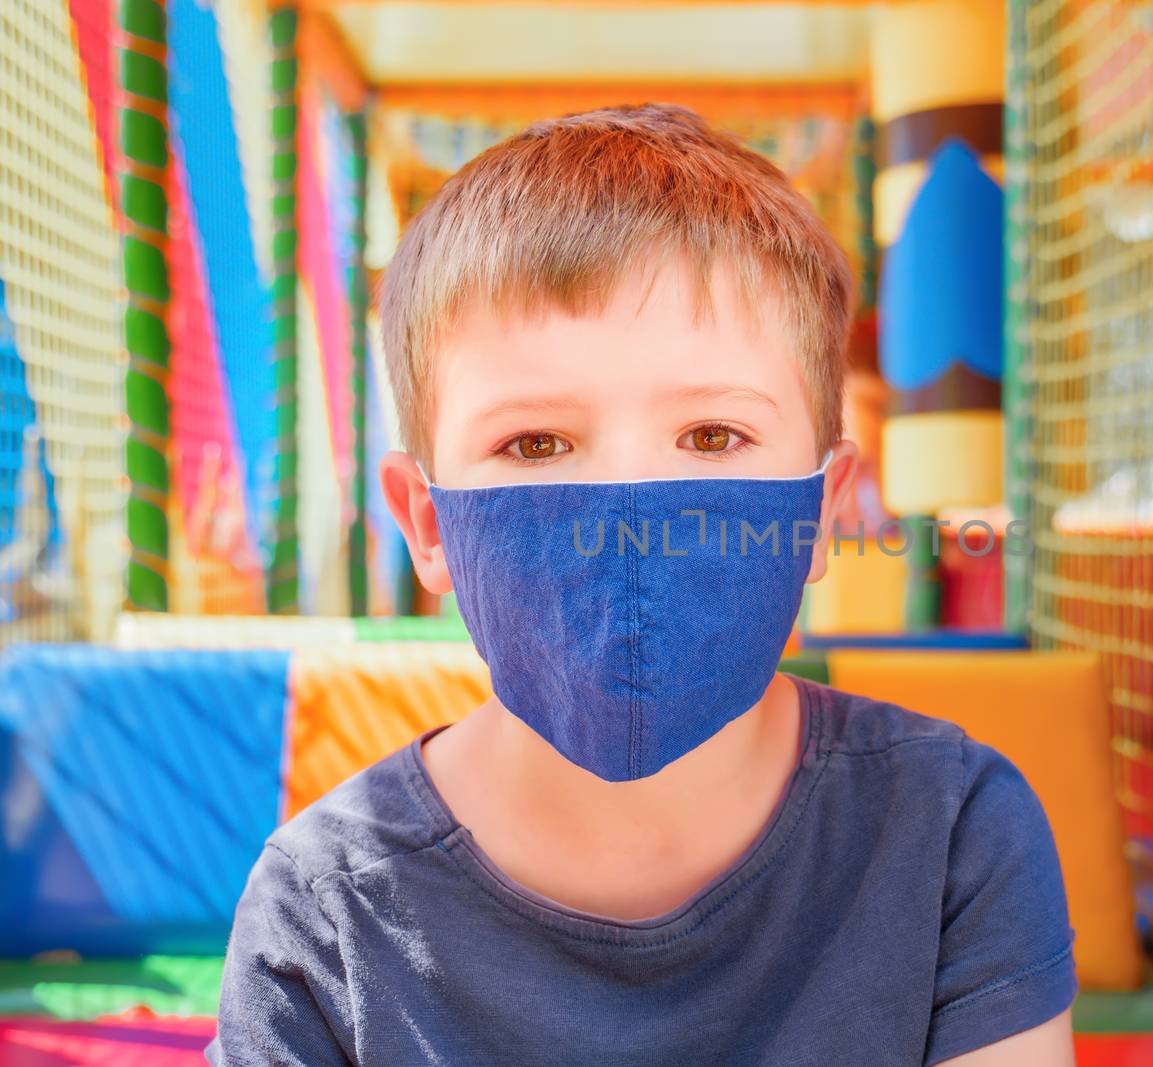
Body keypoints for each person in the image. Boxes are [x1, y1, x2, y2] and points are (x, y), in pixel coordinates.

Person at [209, 103, 1076, 1067]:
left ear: (823, 510)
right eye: (533, 442)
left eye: (713, 436)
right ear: (428, 521)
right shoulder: (321, 912)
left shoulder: (951, 830)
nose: (625, 515)